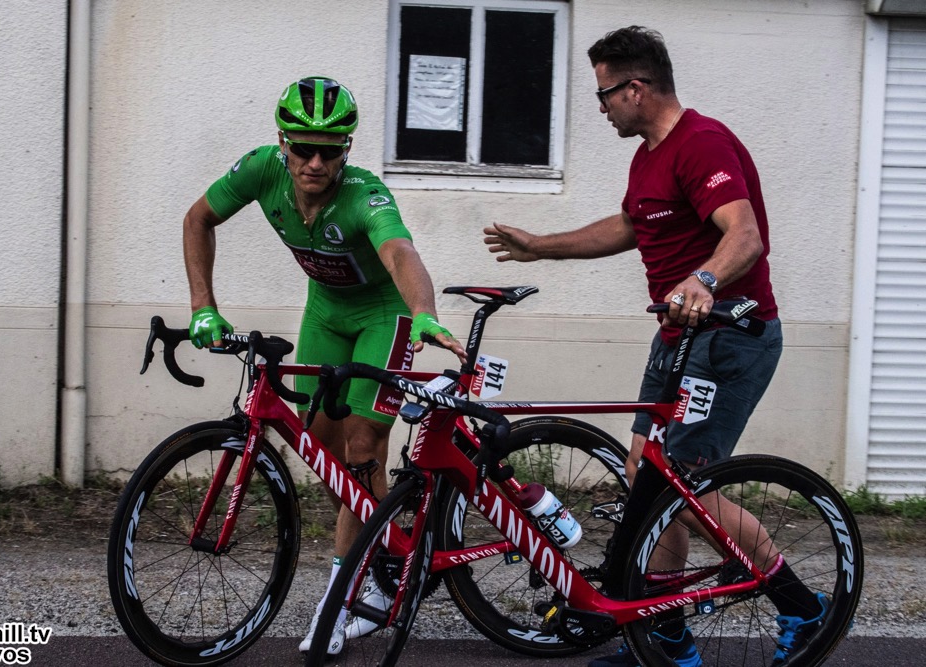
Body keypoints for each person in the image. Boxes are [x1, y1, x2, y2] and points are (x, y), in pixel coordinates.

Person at [483, 26, 823, 667]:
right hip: (678, 338)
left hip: (729, 339)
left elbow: (744, 235)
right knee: (649, 475)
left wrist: (704, 279)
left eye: (604, 94)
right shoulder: (650, 155)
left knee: (682, 487)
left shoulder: (702, 143)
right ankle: (665, 635)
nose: (601, 107)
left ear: (635, 88)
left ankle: (801, 605)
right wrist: (541, 246)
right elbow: (630, 225)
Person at [183, 76, 466, 656]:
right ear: (282, 143)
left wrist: (424, 312)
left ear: (347, 149)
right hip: (325, 313)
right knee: (322, 449)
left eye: (330, 150)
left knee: (362, 449)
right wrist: (202, 306)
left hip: (385, 315)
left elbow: (400, 253)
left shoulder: (365, 195)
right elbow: (197, 219)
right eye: (304, 148)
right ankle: (385, 551)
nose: (315, 162)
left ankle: (344, 595)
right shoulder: (260, 170)